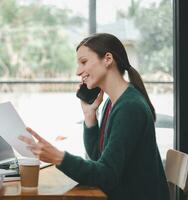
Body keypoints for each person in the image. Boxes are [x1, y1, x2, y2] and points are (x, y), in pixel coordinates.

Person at [18, 33, 170, 200]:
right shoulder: (112, 103)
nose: (78, 71)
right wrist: (89, 116)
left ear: (107, 59)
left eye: (83, 62)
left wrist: (58, 157)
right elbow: (99, 158)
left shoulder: (130, 107)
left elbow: (106, 176)